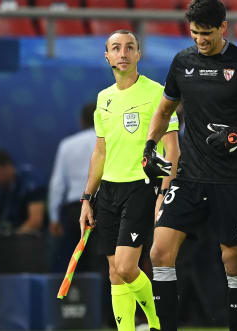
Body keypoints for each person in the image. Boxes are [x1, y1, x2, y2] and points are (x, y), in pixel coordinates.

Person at [141, 0, 237, 331]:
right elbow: (164, 111)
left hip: (231, 179)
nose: (200, 40)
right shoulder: (182, 62)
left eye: (206, 33)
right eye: (194, 32)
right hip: (188, 177)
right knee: (159, 252)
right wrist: (150, 146)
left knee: (233, 259)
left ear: (223, 27)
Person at [78, 29, 180, 331]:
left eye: (129, 47)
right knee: (114, 272)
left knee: (126, 266)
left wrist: (164, 191)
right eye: (116, 48)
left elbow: (173, 148)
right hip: (108, 190)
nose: (123, 53)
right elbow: (100, 152)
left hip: (141, 186)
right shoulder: (103, 98)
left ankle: (156, 323)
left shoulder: (156, 94)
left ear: (138, 54)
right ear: (107, 56)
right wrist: (87, 198)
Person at [48, 102, 100, 271]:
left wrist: (54, 217)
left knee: (74, 261)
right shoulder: (110, 142)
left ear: (81, 121)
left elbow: (57, 184)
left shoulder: (67, 145)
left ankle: (73, 296)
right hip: (103, 205)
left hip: (74, 209)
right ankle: (103, 297)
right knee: (102, 260)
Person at [0, 149, 46, 234]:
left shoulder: (30, 182)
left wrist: (11, 240)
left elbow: (35, 222)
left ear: (8, 167)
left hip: (33, 238)